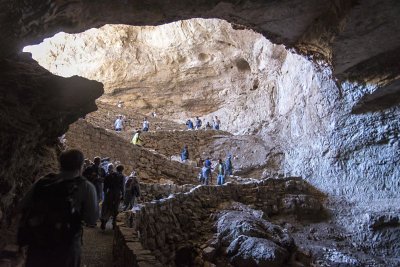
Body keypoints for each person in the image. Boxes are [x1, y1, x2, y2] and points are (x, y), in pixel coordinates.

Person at [17, 149, 98, 267]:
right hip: (67, 246)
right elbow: (92, 219)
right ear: (81, 166)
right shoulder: (86, 187)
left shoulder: (44, 182)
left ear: (60, 163)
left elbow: (21, 206)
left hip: (39, 242)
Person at [100, 164, 124, 230]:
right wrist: (123, 195)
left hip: (109, 193)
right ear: (122, 170)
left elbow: (105, 187)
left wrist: (105, 193)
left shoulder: (108, 175)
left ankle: (104, 219)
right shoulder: (121, 176)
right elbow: (122, 187)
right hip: (117, 193)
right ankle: (114, 224)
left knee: (108, 207)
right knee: (115, 208)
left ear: (116, 169)